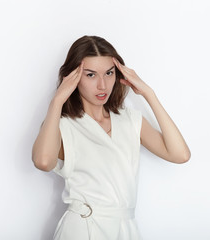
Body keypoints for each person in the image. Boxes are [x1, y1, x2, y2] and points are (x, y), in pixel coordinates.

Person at [32, 35, 191, 240]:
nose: (102, 85)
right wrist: (58, 100)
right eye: (90, 75)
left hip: (125, 229)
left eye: (109, 73)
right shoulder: (63, 124)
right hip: (82, 229)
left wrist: (149, 94)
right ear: (73, 77)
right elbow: (43, 162)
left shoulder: (130, 120)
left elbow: (181, 154)